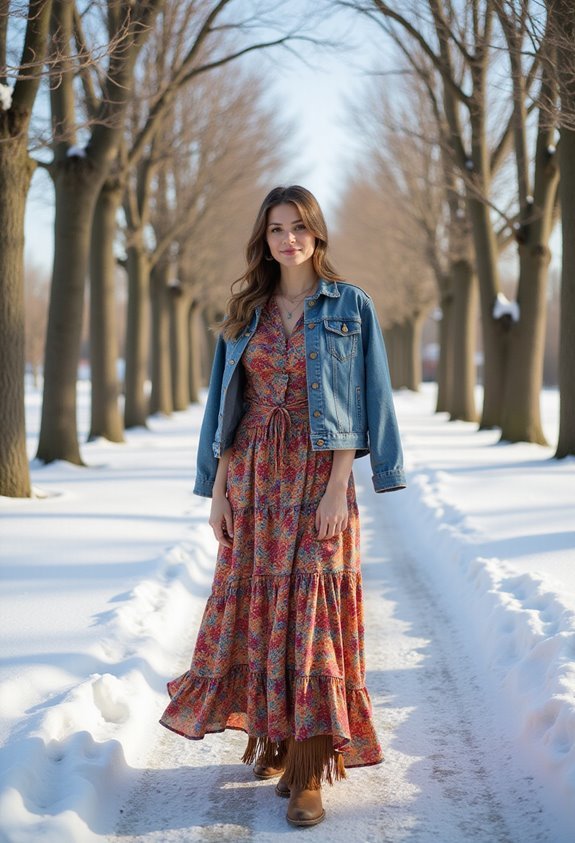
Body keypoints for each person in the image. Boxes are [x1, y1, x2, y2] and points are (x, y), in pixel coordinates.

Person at [160, 185, 406, 828]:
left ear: (316, 233)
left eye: (298, 227)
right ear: (263, 238)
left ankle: (309, 767)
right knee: (262, 612)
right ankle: (273, 735)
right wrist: (217, 489)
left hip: (319, 476)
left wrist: (338, 485)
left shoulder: (350, 305)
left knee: (313, 613)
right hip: (253, 477)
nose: (288, 239)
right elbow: (223, 407)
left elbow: (367, 395)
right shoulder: (245, 310)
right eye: (276, 229)